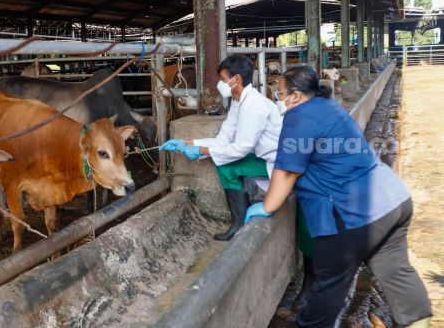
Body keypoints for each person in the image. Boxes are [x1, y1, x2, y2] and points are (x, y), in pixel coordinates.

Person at [245, 66, 431, 327]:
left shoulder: (298, 117)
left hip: (354, 213)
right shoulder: (328, 106)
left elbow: (287, 171)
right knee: (397, 274)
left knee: (328, 288)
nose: (279, 97)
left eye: (281, 92)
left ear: (296, 96)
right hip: (393, 201)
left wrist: (267, 205)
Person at [159, 54, 282, 241]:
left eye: (223, 79)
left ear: (237, 79)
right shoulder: (238, 102)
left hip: (278, 161)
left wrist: (200, 151)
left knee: (227, 166)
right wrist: (187, 143)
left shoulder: (253, 106)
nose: (220, 83)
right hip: (264, 156)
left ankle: (239, 222)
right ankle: (240, 220)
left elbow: (241, 148)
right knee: (225, 165)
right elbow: (223, 139)